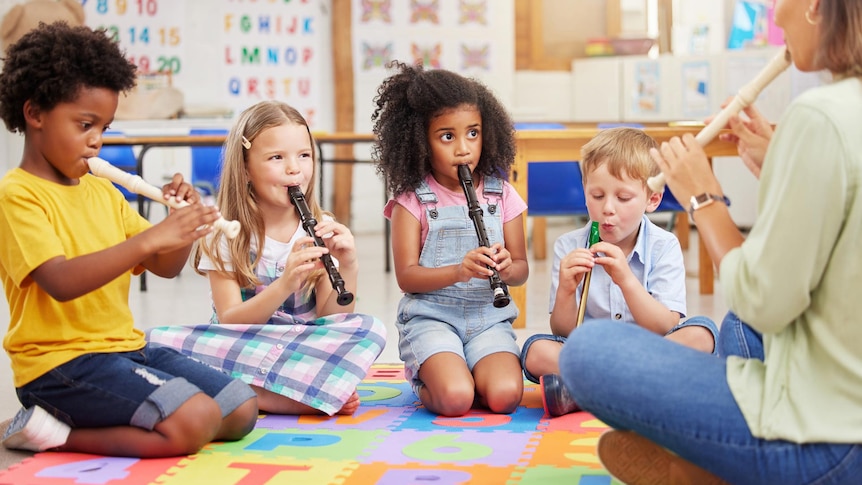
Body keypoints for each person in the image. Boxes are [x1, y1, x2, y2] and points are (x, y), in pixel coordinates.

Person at [559, 0, 862, 483]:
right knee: (735, 329)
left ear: (818, 7)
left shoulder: (822, 115)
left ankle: (708, 470)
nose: (776, 16)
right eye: (598, 195)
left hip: (822, 441)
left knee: (587, 352)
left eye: (782, 1)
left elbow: (764, 300)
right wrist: (785, 160)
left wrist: (703, 199)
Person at [0, 22, 258, 457]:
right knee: (193, 421)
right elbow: (61, 282)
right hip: (59, 367)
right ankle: (48, 431)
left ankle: (147, 417)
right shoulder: (17, 194)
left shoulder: (102, 190)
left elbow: (165, 266)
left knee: (239, 409)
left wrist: (178, 224)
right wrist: (149, 238)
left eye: (104, 126)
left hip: (125, 350)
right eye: (85, 124)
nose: (97, 141)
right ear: (35, 113)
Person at [147, 101, 387, 417]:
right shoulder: (225, 233)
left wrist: (349, 266)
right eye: (277, 158)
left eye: (304, 155)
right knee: (155, 342)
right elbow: (231, 321)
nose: (294, 169)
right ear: (246, 168)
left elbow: (333, 318)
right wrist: (285, 285)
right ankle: (291, 396)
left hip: (298, 349)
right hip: (243, 344)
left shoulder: (321, 225)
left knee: (371, 329)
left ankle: (246, 390)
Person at [520, 127, 718, 417]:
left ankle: (588, 391)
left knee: (703, 334)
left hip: (650, 347)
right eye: (597, 195)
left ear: (652, 200)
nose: (607, 209)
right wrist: (565, 290)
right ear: (585, 191)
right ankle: (644, 388)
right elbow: (564, 332)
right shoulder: (569, 245)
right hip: (591, 351)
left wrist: (626, 280)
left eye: (623, 198)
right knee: (534, 351)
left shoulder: (664, 246)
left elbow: (665, 325)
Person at [372, 62, 529, 417]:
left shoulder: (501, 193)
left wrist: (507, 268)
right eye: (447, 136)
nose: (463, 149)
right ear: (419, 142)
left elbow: (521, 270)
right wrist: (460, 270)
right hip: (432, 318)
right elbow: (406, 277)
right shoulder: (411, 201)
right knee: (455, 400)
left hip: (488, 318)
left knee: (506, 398)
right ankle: (429, 377)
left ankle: (468, 369)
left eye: (473, 133)